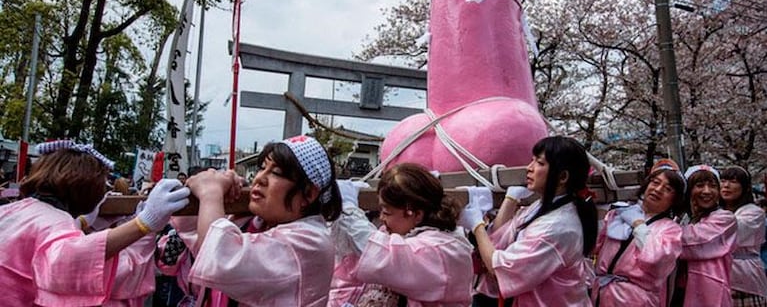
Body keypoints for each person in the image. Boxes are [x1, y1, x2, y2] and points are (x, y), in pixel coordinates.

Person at [0, 139, 190, 306]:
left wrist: (85, 223)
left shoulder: (11, 210)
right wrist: (143, 224)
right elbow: (70, 261)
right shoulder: (55, 223)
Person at [180, 135, 342, 306]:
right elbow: (194, 231)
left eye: (276, 173)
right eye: (262, 168)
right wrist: (225, 194)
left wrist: (211, 193)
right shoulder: (258, 223)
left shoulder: (310, 242)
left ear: (308, 193)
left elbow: (219, 259)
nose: (259, 178)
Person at [459, 135, 598, 306]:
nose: (529, 168)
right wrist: (510, 200)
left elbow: (501, 267)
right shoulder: (542, 208)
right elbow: (499, 239)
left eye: (540, 163)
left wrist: (477, 226)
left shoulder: (557, 227)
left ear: (562, 177)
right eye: (531, 161)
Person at [329, 163, 474, 306]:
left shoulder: (444, 250)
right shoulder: (404, 234)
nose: (381, 218)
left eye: (387, 212)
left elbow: (386, 255)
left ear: (417, 214)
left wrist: (347, 210)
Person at [591, 159, 685, 306]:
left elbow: (655, 260)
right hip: (601, 292)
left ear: (675, 199)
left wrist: (639, 225)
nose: (658, 189)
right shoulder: (620, 213)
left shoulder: (671, 230)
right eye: (655, 182)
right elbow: (593, 246)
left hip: (634, 299)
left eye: (668, 189)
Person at [674, 164, 738, 307]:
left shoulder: (724, 218)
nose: (707, 191)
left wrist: (661, 235)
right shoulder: (682, 218)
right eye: (700, 185)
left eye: (713, 186)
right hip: (678, 290)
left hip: (710, 291)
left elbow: (693, 241)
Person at [720, 165, 767, 306]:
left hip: (746, 279)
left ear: (745, 187)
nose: (726, 186)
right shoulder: (717, 210)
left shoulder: (754, 213)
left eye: (733, 181)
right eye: (723, 181)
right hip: (720, 279)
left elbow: (730, 234)